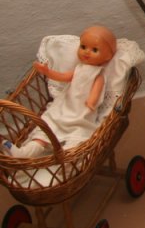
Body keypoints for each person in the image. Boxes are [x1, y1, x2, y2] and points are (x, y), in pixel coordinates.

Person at [3, 26, 117, 158]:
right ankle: (23, 153)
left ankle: (68, 158)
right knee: (48, 129)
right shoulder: (78, 69)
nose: (86, 52)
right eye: (83, 47)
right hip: (65, 108)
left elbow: (97, 90)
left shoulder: (98, 74)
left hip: (81, 112)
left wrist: (92, 101)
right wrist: (47, 72)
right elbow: (62, 77)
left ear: (108, 56)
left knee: (77, 135)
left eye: (95, 50)